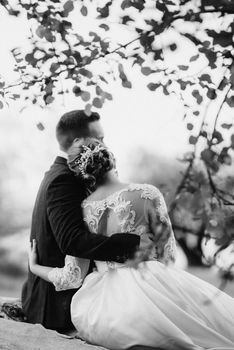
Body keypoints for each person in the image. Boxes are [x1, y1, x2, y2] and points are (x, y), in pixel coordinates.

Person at [29, 138, 234, 350]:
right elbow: (169, 255)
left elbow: (72, 277)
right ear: (112, 159)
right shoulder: (146, 193)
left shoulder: (83, 210)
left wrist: (35, 267)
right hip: (150, 293)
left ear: (82, 174)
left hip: (103, 311)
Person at [22, 110, 150, 332]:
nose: (104, 144)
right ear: (78, 141)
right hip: (57, 306)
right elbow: (72, 240)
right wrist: (135, 244)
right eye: (99, 138)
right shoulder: (64, 179)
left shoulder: (65, 174)